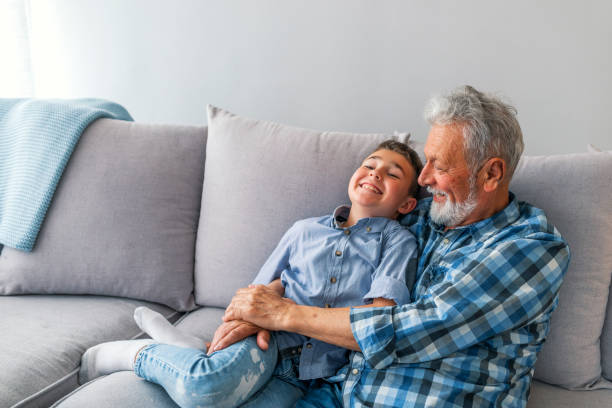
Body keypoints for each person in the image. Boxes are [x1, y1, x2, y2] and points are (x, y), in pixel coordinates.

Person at [218, 85, 571, 407]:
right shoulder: (421, 217)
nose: (423, 179)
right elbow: (330, 263)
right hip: (337, 393)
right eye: (426, 159)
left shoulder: (530, 248)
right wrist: (262, 305)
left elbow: (420, 328)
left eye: (440, 165)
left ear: (491, 174)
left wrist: (285, 314)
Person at [78, 140, 424, 408]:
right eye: (370, 165)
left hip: (312, 376)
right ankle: (124, 355)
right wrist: (243, 321)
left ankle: (191, 351)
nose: (376, 173)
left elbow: (377, 322)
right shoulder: (304, 231)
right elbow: (254, 294)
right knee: (205, 387)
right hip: (268, 343)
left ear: (407, 204)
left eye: (393, 174)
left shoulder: (398, 243)